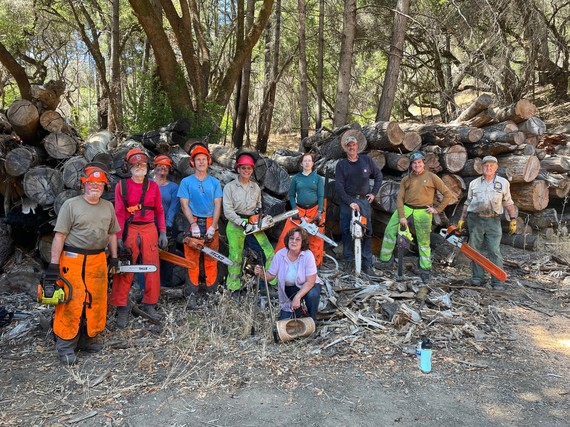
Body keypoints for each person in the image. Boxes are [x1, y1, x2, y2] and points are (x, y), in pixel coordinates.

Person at [47, 164, 120, 365]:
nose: (95, 186)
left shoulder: (108, 207)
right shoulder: (71, 205)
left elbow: (112, 233)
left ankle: (88, 338)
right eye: (92, 183)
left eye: (100, 183)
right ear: (84, 184)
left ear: (104, 186)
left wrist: (114, 257)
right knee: (72, 300)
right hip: (73, 259)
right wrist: (54, 265)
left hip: (98, 259)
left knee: (95, 300)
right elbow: (59, 236)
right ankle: (65, 345)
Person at [110, 148, 168, 327]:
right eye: (135, 164)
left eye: (142, 164)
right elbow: (119, 212)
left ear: (147, 166)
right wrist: (119, 237)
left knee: (152, 267)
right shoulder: (122, 186)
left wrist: (163, 231)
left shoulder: (153, 186)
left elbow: (159, 210)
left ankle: (150, 303)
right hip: (130, 228)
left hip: (149, 229)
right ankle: (121, 307)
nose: (139, 166)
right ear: (129, 167)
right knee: (125, 268)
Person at [378, 151, 453, 282]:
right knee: (390, 230)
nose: (417, 165)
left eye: (419, 162)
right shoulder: (406, 179)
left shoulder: (432, 177)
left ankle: (425, 268)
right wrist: (401, 215)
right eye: (414, 163)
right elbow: (400, 198)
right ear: (411, 165)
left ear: (423, 163)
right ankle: (385, 261)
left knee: (423, 240)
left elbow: (448, 194)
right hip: (406, 208)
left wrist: (437, 209)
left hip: (423, 211)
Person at [457, 155, 517, 289]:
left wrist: (513, 219)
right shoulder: (474, 183)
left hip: (493, 220)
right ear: (481, 167)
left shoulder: (503, 183)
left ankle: (497, 281)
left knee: (494, 250)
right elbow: (467, 203)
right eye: (486, 165)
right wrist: (461, 219)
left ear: (496, 168)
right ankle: (477, 278)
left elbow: (508, 202)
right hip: (475, 220)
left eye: (491, 166)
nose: (488, 168)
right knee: (475, 250)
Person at [223, 151, 274, 293]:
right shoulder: (230, 187)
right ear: (238, 169)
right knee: (235, 256)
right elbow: (228, 211)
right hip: (235, 224)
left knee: (267, 250)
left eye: (249, 168)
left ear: (252, 170)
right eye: (243, 168)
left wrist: (258, 215)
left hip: (252, 224)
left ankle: (267, 282)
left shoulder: (255, 187)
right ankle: (234, 288)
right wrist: (243, 223)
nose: (246, 171)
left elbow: (258, 204)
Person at [178, 143, 222, 305]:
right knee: (192, 260)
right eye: (198, 160)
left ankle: (212, 293)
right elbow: (184, 204)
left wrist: (213, 226)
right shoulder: (186, 182)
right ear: (193, 162)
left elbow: (218, 204)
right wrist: (192, 224)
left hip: (211, 220)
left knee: (211, 260)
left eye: (204, 159)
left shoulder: (215, 183)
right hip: (193, 220)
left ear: (208, 161)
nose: (201, 162)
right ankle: (192, 295)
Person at [335, 132, 382, 275]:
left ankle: (367, 264)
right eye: (348, 146)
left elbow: (379, 176)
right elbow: (339, 187)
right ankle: (349, 261)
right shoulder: (341, 165)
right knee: (346, 231)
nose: (351, 148)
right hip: (347, 201)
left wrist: (373, 193)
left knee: (367, 231)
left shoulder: (366, 161)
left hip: (363, 201)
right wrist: (349, 202)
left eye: (353, 145)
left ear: (357, 147)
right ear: (345, 148)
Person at [254, 227, 322, 322]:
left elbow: (310, 282)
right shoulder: (280, 255)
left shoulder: (307, 255)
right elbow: (270, 276)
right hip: (290, 289)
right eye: (291, 238)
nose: (293, 241)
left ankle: (312, 319)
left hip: (308, 286)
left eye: (297, 239)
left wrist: (297, 297)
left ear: (303, 242)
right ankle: (299, 311)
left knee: (312, 294)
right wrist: (261, 273)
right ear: (288, 240)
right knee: (285, 320)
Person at [275, 153, 326, 265]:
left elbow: (321, 196)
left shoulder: (317, 178)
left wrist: (320, 212)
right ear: (301, 163)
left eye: (309, 161)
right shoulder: (296, 178)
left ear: (312, 163)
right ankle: (280, 261)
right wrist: (294, 209)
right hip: (299, 209)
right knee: (287, 234)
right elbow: (292, 195)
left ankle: (314, 264)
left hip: (314, 209)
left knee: (316, 237)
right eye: (305, 161)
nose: (307, 163)